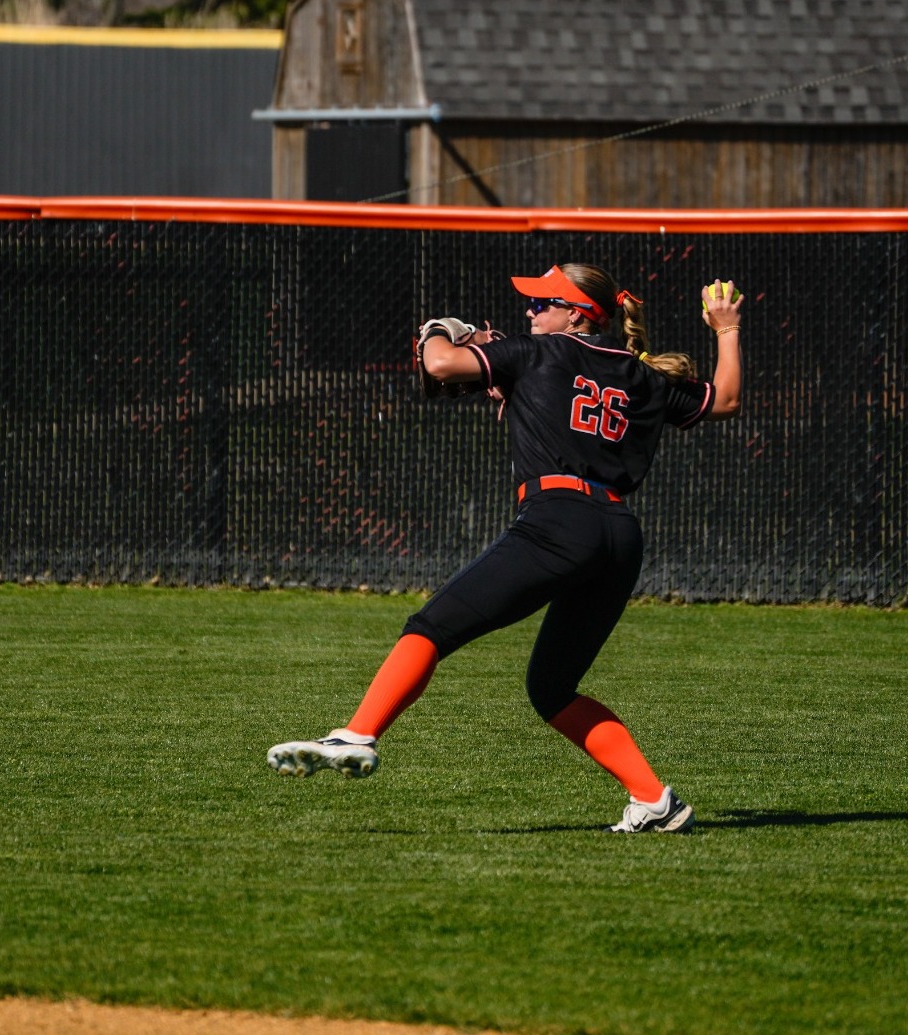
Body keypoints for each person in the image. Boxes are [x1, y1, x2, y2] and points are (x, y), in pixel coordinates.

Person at [268, 263, 743, 833]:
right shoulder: (638, 375)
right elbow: (725, 401)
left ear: (577, 314)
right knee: (551, 688)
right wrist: (725, 329)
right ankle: (654, 801)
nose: (531, 310)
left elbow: (440, 363)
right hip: (619, 536)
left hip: (558, 521)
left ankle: (358, 733)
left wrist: (438, 329)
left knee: (430, 626)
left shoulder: (536, 353)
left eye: (544, 302)